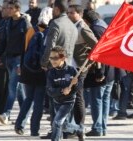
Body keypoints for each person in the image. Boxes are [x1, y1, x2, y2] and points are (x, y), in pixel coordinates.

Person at [14, 7, 52, 136]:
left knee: (28, 99)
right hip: (42, 71)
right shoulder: (50, 32)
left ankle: (19, 124)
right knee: (38, 102)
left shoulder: (30, 30)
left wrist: (22, 67)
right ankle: (34, 129)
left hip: (28, 70)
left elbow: (25, 51)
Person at [0, 0, 32, 125]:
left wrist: (24, 62)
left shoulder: (25, 23)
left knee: (12, 86)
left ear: (17, 9)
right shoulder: (8, 22)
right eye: (8, 8)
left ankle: (6, 114)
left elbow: (29, 44)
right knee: (18, 88)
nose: (8, 10)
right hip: (9, 58)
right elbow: (4, 40)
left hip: (19, 59)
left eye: (11, 8)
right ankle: (24, 115)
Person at [67, 4, 98, 140]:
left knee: (78, 97)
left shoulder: (83, 28)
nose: (69, 15)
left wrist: (86, 65)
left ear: (79, 14)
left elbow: (96, 48)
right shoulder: (72, 27)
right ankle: (74, 128)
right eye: (68, 13)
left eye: (72, 13)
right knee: (72, 97)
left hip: (79, 68)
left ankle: (80, 130)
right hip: (71, 67)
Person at [46, 46, 78, 141]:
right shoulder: (51, 73)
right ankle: (79, 129)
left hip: (68, 102)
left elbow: (78, 88)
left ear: (63, 58)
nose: (52, 61)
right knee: (63, 126)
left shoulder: (72, 71)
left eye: (55, 58)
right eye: (51, 58)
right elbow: (49, 90)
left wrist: (75, 85)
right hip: (56, 101)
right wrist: (61, 91)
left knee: (57, 122)